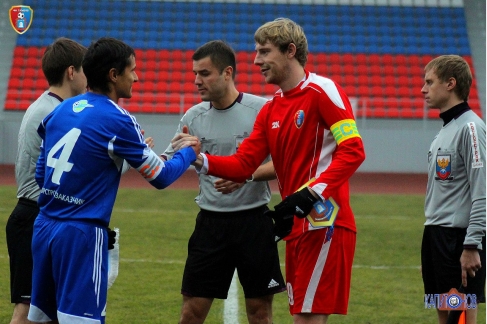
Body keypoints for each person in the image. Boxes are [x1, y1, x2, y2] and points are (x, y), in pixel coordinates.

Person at [171, 18, 366, 324]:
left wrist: (310, 193)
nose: (256, 60)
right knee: (300, 315)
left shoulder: (322, 90)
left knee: (306, 318)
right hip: (295, 222)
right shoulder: (272, 108)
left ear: (290, 51)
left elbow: (353, 150)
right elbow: (243, 164)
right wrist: (200, 158)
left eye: (264, 52)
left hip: (325, 221)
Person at [27, 37, 200, 324]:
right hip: (81, 235)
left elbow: (41, 174)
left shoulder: (61, 109)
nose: (136, 76)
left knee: (40, 319)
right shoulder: (119, 119)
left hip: (44, 227)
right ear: (113, 75)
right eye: (132, 69)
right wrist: (187, 153)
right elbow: (160, 176)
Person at [162, 40, 285, 324]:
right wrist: (145, 153)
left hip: (255, 223)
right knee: (191, 312)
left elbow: (285, 162)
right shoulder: (192, 117)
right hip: (211, 226)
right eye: (195, 74)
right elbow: (167, 163)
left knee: (260, 313)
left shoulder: (262, 110)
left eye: (204, 73)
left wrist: (246, 174)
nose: (196, 81)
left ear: (227, 73)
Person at [6, 37, 88, 324]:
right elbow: (73, 171)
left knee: (50, 311)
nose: (87, 78)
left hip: (39, 216)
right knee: (28, 311)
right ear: (71, 72)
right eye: (84, 70)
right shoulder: (54, 112)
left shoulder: (46, 106)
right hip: (34, 216)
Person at [421, 55, 486, 324]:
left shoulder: (471, 128)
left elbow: (482, 189)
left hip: (457, 241)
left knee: (458, 319)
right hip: (435, 236)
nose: (423, 89)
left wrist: (472, 244)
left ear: (450, 84)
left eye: (429, 82)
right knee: (445, 314)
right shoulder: (446, 129)